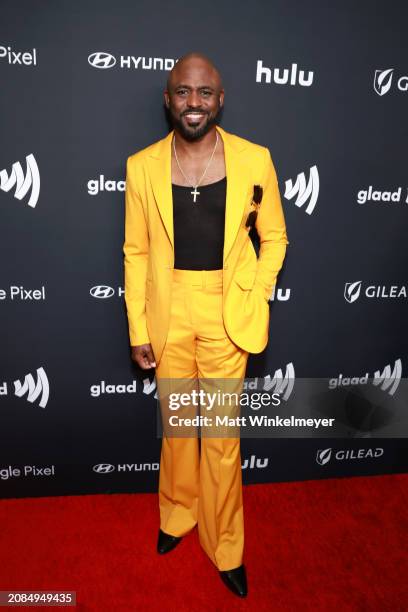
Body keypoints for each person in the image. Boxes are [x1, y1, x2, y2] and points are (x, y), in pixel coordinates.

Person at [123, 51, 289, 598]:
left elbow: (276, 238)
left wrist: (255, 291)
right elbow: (136, 251)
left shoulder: (255, 159)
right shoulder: (141, 165)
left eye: (204, 93)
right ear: (168, 99)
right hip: (169, 314)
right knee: (177, 429)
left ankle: (226, 546)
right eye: (183, 92)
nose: (193, 103)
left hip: (225, 314)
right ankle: (177, 516)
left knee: (219, 437)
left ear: (220, 98)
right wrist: (138, 327)